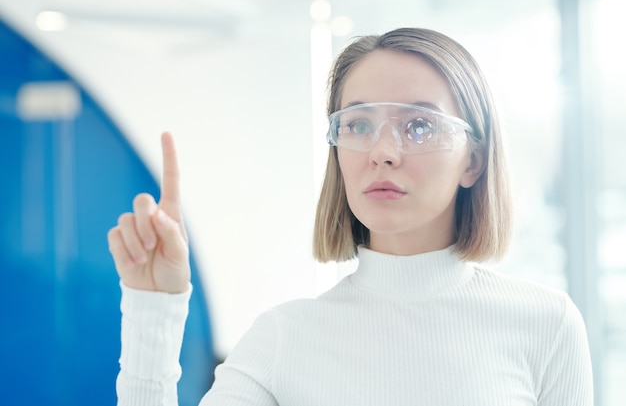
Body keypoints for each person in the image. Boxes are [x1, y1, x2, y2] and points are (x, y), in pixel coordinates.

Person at [108, 27, 594, 405]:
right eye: (359, 124)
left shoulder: (545, 325)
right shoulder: (285, 338)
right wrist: (153, 307)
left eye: (419, 126)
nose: (383, 151)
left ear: (474, 160)